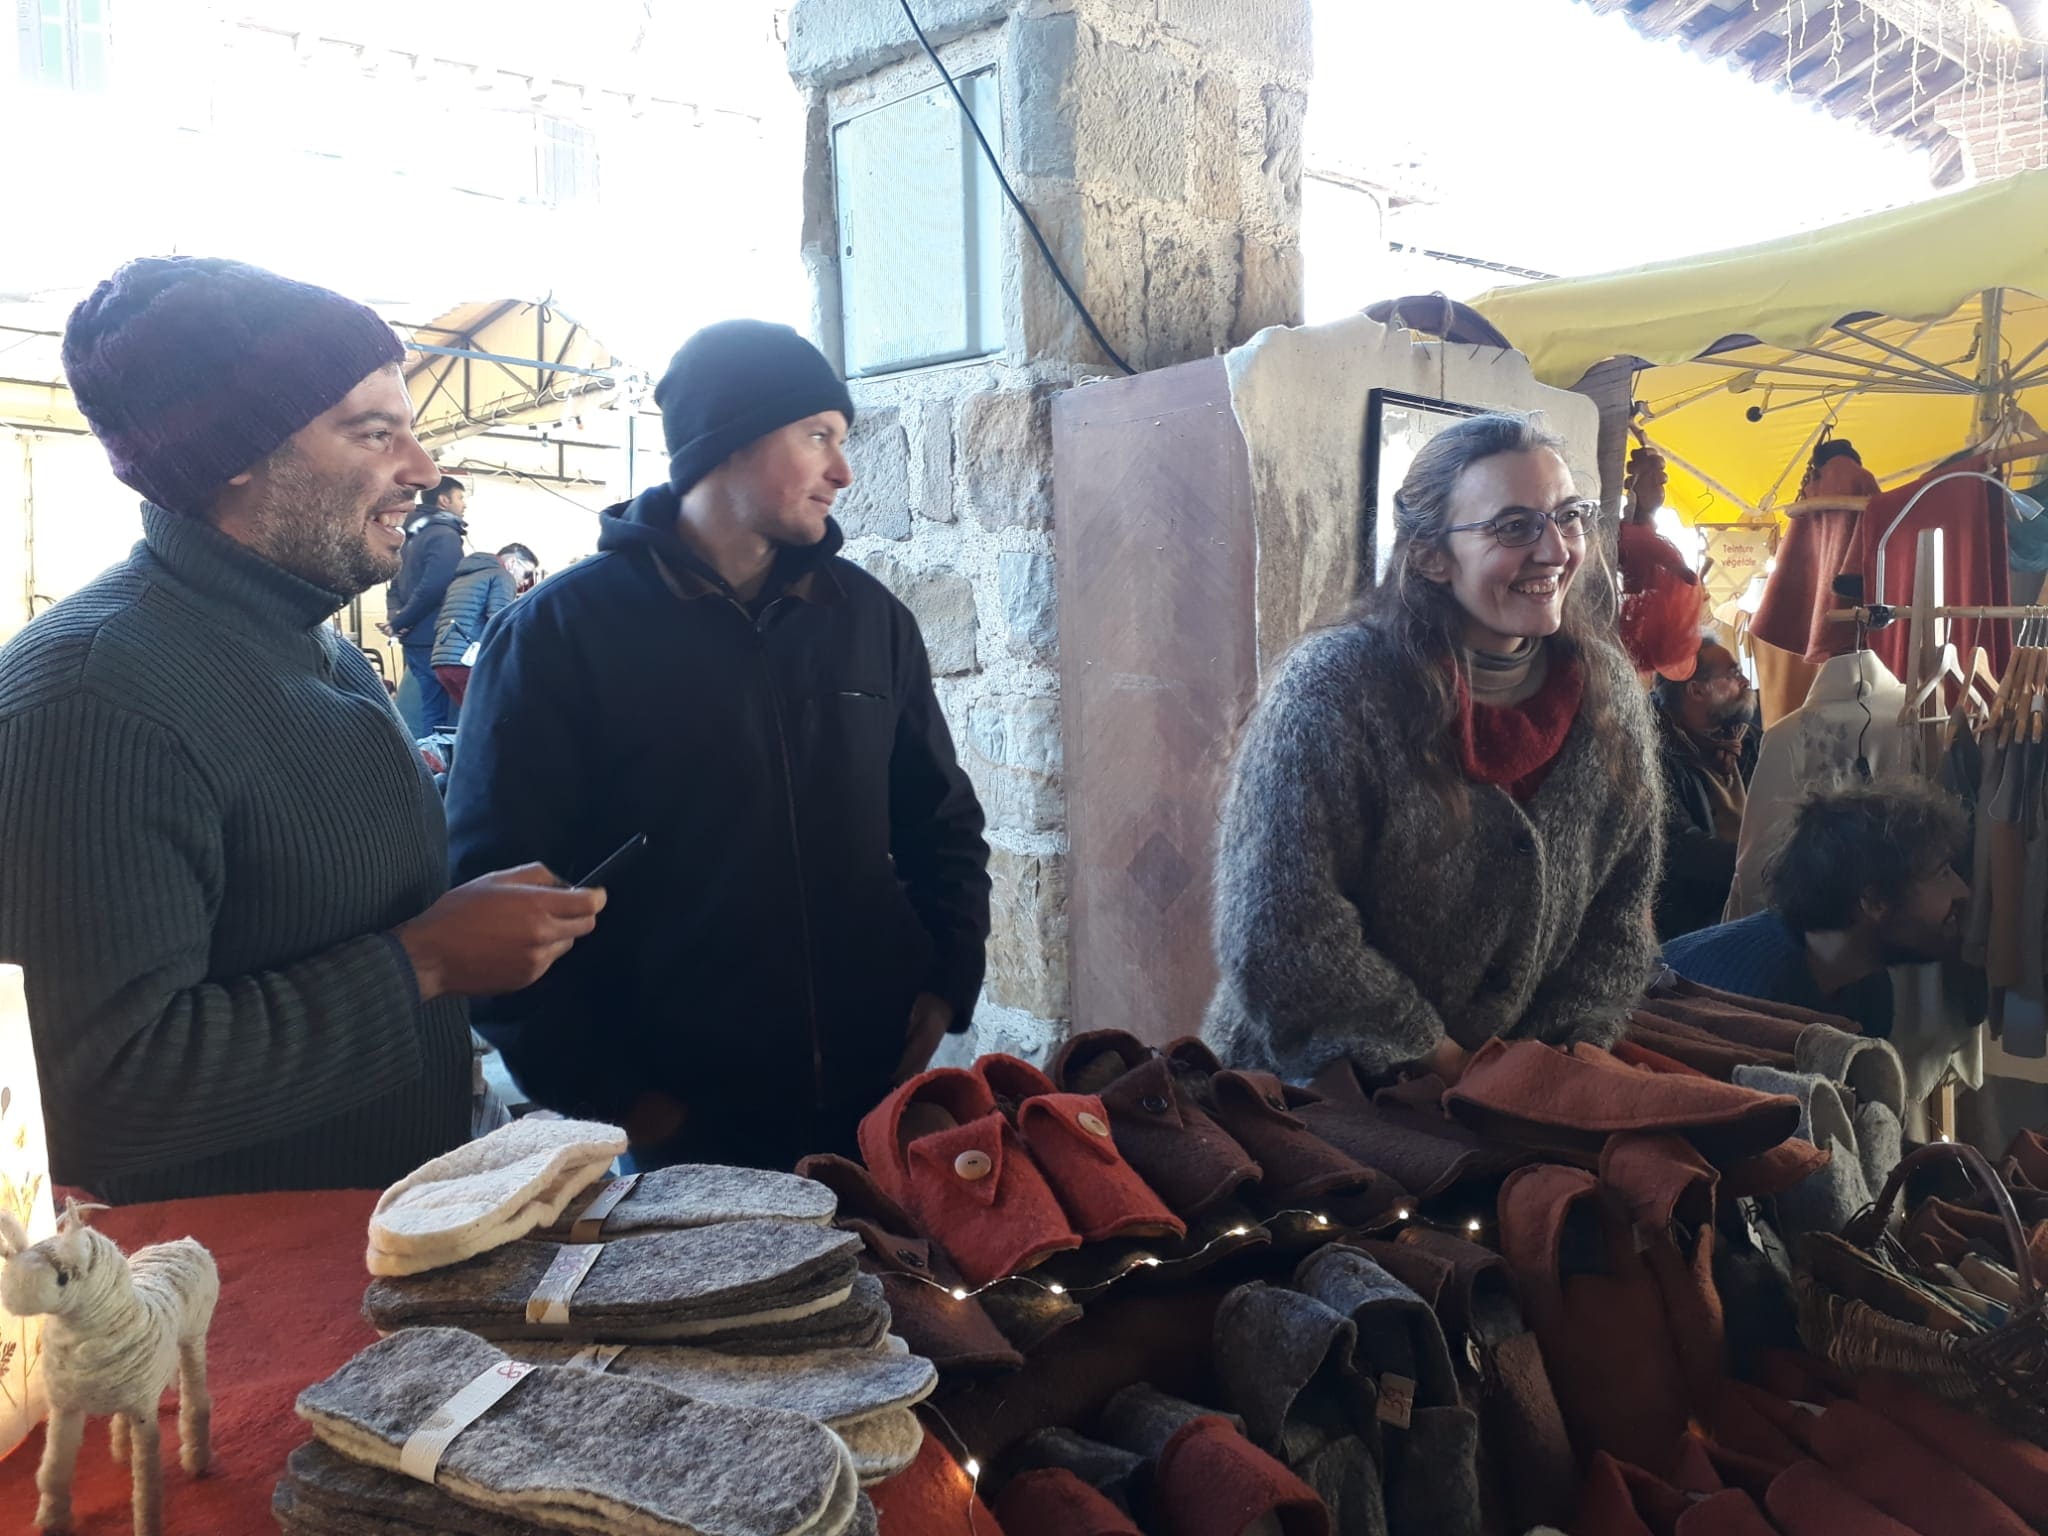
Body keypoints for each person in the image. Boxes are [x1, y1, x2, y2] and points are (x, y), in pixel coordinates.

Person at [0, 256, 607, 1203]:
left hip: (379, 1274)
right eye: (374, 433)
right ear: (236, 453)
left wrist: (460, 924)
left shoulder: (317, 645)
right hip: (238, 1320)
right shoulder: (94, 695)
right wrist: (430, 958)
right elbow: (95, 1097)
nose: (423, 471)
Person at [446, 319, 991, 1171]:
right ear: (726, 442)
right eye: (818, 437)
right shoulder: (557, 636)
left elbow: (941, 822)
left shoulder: (868, 619)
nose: (843, 471)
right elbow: (495, 891)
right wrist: (612, 1097)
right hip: (680, 1126)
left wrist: (946, 982)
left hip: (873, 1090)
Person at [1203, 410, 1663, 1085]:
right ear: (1429, 556)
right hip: (1311, 1098)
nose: (1557, 550)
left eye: (1569, 516)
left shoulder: (1608, 693)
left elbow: (1619, 919)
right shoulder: (1336, 691)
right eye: (1514, 526)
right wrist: (1441, 1063)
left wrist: (1557, 1062)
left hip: (1514, 1097)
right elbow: (1283, 936)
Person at [1661, 781, 1967, 1039]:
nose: (1963, 891)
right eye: (1941, 874)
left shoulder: (1866, 985)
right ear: (1874, 902)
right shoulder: (1752, 1007)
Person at [1652, 635, 1761, 942]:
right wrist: (1763, 867)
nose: (1745, 680)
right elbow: (1680, 848)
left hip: (1755, 894)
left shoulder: (1750, 739)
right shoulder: (1651, 755)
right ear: (1696, 690)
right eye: (1733, 673)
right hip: (1695, 920)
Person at [384, 475, 468, 731]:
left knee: (424, 705)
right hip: (435, 636)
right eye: (461, 498)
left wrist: (397, 620)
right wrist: (402, 621)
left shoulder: (410, 536)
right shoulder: (445, 536)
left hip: (413, 637)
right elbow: (434, 586)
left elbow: (395, 585)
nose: (464, 504)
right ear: (444, 500)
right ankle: (434, 766)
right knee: (438, 713)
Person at [430, 540, 529, 715]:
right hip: (469, 660)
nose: (525, 581)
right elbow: (501, 621)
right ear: (513, 562)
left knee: (470, 718)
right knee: (491, 716)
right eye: (527, 573)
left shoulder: (463, 578)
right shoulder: (502, 576)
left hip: (442, 660)